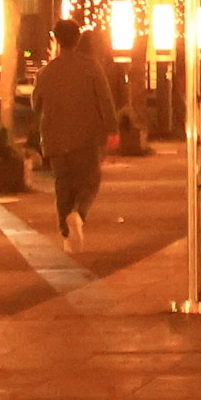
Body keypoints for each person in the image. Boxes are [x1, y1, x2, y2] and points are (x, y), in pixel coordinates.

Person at [33, 26, 115, 245]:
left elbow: (35, 104)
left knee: (63, 184)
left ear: (56, 40)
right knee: (90, 180)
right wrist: (112, 129)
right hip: (86, 137)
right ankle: (78, 214)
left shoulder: (46, 72)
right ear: (78, 39)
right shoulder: (91, 67)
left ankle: (66, 232)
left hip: (55, 138)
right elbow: (105, 100)